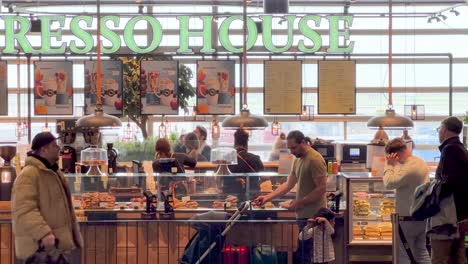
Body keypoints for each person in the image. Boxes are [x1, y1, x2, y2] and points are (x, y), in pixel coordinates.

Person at [255, 130, 327, 264]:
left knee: (310, 257)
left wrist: (299, 203)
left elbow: (322, 189)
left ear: (304, 142)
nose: (292, 151)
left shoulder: (315, 160)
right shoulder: (298, 160)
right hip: (303, 216)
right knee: (303, 255)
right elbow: (288, 185)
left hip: (314, 217)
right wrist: (266, 198)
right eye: (290, 148)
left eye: (294, 147)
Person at [11, 132, 83, 263]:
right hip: (40, 249)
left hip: (55, 248)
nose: (59, 149)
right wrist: (44, 234)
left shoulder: (54, 173)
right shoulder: (28, 174)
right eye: (54, 145)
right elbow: (24, 209)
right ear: (43, 149)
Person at [383, 138, 430, 264]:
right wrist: (396, 165)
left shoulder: (409, 169)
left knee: (402, 255)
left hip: (407, 218)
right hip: (420, 217)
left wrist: (388, 165)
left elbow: (389, 183)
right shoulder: (419, 162)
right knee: (421, 252)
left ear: (394, 154)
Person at [431, 116, 468, 264]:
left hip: (449, 216)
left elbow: (448, 182)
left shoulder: (450, 149)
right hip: (461, 214)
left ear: (445, 129)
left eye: (439, 129)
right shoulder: (460, 148)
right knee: (458, 256)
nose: (439, 132)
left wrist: (431, 197)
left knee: (440, 257)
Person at [224, 128, 264, 199]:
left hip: (230, 198)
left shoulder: (226, 158)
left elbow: (219, 178)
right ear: (246, 142)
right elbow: (264, 178)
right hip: (252, 198)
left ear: (235, 142)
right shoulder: (255, 158)